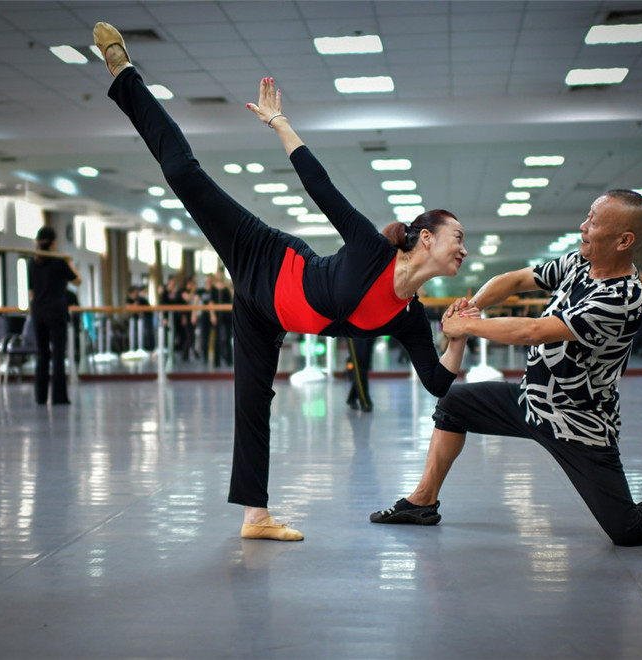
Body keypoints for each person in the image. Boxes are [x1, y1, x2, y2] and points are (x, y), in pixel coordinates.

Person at [94, 22, 469, 541]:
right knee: (184, 175)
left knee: (252, 402)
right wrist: (279, 122)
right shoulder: (370, 248)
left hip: (264, 312)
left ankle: (255, 518)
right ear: (426, 238)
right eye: (458, 236)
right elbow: (321, 186)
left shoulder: (410, 316)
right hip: (265, 258)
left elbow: (437, 382)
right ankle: (126, 75)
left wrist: (458, 340)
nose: (464, 249)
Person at [370, 190, 642, 546]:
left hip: (579, 423)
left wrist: (467, 327)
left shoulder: (621, 298)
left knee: (626, 529)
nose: (583, 226)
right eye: (588, 216)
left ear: (624, 240)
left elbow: (534, 330)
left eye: (594, 223)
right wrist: (471, 307)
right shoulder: (578, 264)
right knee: (453, 406)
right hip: (532, 401)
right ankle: (423, 501)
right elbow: (516, 280)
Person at [28, 226, 81, 405]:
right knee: (58, 354)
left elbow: (31, 292)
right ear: (53, 243)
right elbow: (77, 280)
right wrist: (68, 261)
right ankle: (59, 397)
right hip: (56, 311)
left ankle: (40, 397)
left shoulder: (32, 262)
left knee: (42, 354)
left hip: (38, 311)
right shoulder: (59, 262)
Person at [346, 337, 375, 412]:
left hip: (370, 328)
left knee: (365, 363)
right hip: (354, 329)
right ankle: (365, 401)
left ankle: (352, 397)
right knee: (359, 364)